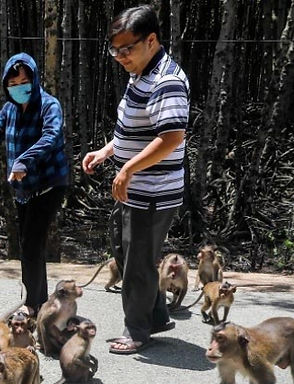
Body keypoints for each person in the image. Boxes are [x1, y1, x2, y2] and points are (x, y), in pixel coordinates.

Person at [82, 5, 189, 355]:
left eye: (127, 49)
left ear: (152, 40)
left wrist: (129, 169)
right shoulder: (141, 72)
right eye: (115, 50)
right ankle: (156, 316)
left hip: (152, 189)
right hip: (137, 187)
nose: (120, 57)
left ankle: (137, 331)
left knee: (138, 261)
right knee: (129, 253)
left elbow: (171, 137)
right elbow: (137, 130)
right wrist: (108, 151)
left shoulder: (166, 81)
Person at [0, 53, 70, 314]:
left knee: (32, 244)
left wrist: (25, 161)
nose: (19, 88)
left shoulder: (49, 105)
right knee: (27, 244)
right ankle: (38, 300)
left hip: (48, 185)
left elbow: (51, 137)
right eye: (13, 84)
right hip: (24, 190)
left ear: (33, 80)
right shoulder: (10, 109)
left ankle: (33, 305)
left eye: (24, 82)